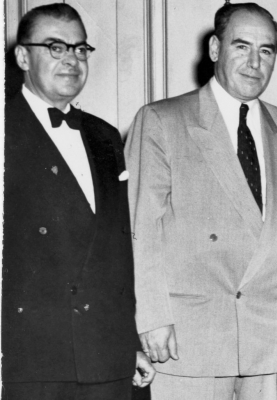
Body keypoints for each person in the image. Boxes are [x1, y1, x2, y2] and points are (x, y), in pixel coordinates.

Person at [125, 3, 277, 399]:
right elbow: (142, 228)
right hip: (190, 336)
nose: (254, 62)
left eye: (266, 50)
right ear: (214, 49)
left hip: (268, 336)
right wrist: (151, 318)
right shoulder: (163, 120)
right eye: (241, 46)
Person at [3, 3, 155, 398]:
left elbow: (118, 251)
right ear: (23, 57)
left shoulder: (105, 136)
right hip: (29, 359)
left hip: (106, 354)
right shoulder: (3, 131)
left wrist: (130, 341)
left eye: (80, 48)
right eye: (56, 47)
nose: (72, 59)